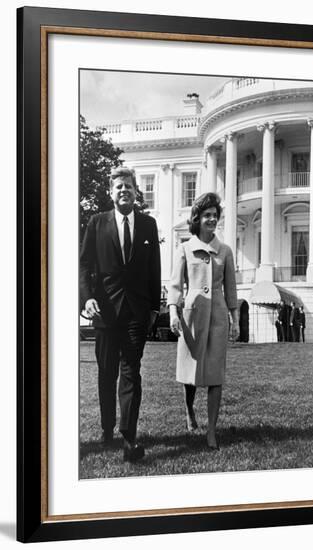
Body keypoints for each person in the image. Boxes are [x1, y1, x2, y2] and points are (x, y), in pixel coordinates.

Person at [80, 167, 161, 462]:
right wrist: (86, 298)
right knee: (106, 373)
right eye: (118, 187)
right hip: (104, 312)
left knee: (131, 373)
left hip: (136, 313)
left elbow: (154, 269)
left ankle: (129, 438)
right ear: (110, 193)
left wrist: (154, 307)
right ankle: (106, 430)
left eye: (128, 186)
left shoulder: (149, 225)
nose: (123, 190)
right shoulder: (96, 223)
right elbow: (84, 264)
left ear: (136, 191)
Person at [168, 193, 238, 450]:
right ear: (197, 219)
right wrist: (173, 313)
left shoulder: (226, 251)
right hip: (192, 316)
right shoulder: (185, 248)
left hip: (218, 316)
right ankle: (189, 411)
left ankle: (211, 430)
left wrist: (235, 318)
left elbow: (231, 289)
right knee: (190, 373)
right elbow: (175, 285)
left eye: (214, 215)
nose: (211, 219)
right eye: (206, 215)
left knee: (215, 374)